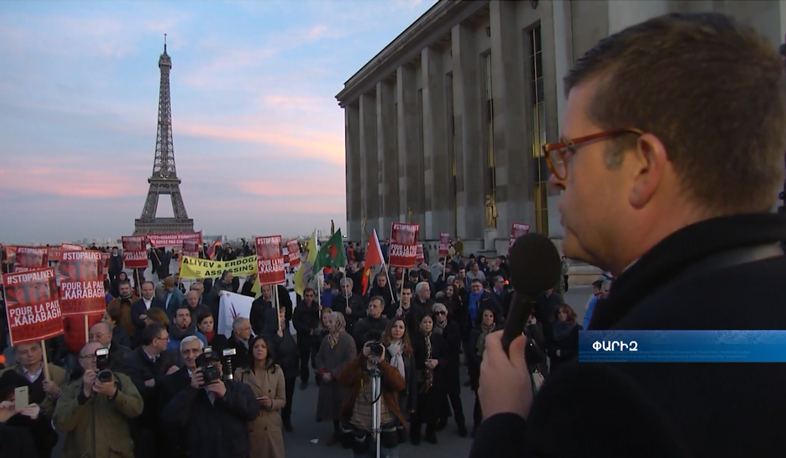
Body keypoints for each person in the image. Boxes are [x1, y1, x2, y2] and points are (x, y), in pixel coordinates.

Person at [471, 12, 786, 458]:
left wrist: (504, 422)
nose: (558, 178)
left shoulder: (611, 389)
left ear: (642, 166)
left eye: (570, 152)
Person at [161, 345, 259, 458]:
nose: (210, 370)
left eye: (214, 366)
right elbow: (171, 418)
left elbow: (252, 411)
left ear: (221, 368)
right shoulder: (191, 393)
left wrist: (226, 394)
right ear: (196, 371)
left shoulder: (239, 388)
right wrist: (191, 389)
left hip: (234, 452)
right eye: (205, 367)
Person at [53, 341, 143, 458]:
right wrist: (83, 395)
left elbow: (137, 408)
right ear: (80, 361)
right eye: (90, 356)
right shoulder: (71, 388)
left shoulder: (121, 380)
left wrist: (114, 393)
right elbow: (61, 424)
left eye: (100, 355)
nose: (95, 360)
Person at [337, 340, 407, 458]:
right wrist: (361, 358)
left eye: (377, 350)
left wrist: (382, 362)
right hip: (361, 427)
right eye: (370, 349)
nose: (373, 353)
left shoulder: (387, 369)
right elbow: (342, 379)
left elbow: (399, 385)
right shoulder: (358, 369)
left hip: (385, 426)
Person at [234, 335, 286, 458]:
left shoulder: (277, 371)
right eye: (256, 347)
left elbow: (282, 400)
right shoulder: (240, 373)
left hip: (271, 426)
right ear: (251, 350)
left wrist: (271, 403)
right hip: (250, 425)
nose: (259, 349)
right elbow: (235, 401)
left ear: (268, 350)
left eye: (263, 346)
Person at [315, 312, 357, 446]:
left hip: (342, 381)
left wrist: (333, 373)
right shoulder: (326, 339)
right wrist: (322, 371)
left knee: (343, 407)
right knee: (332, 407)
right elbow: (319, 357)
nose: (328, 323)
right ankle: (336, 431)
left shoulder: (348, 340)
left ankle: (347, 434)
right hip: (328, 380)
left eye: (331, 321)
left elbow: (350, 361)